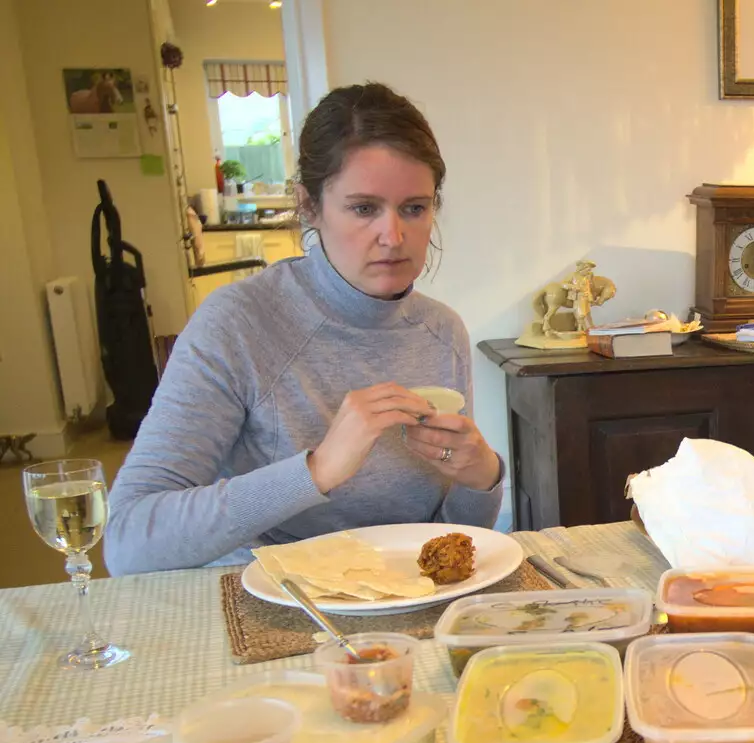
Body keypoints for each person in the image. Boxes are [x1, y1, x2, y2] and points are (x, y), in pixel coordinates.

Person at [105, 83, 502, 575]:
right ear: (309, 206)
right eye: (363, 208)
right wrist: (315, 471)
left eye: (414, 208)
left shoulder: (443, 331)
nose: (393, 236)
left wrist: (483, 477)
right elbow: (127, 541)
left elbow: (454, 539)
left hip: (409, 605)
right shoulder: (237, 323)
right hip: (269, 602)